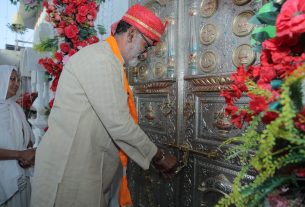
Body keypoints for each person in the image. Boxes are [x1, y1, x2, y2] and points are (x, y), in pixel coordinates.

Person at [31, 4, 177, 207]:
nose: (145, 55)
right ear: (132, 34)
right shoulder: (101, 60)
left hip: (85, 166)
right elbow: (119, 123)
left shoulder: (110, 61)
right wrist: (159, 157)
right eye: (147, 46)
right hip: (68, 169)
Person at [0, 65, 36, 207]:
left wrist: (27, 154)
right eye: (12, 79)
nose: (17, 83)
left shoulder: (16, 108)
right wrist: (20, 154)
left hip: (21, 172)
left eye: (18, 80)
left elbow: (27, 138)